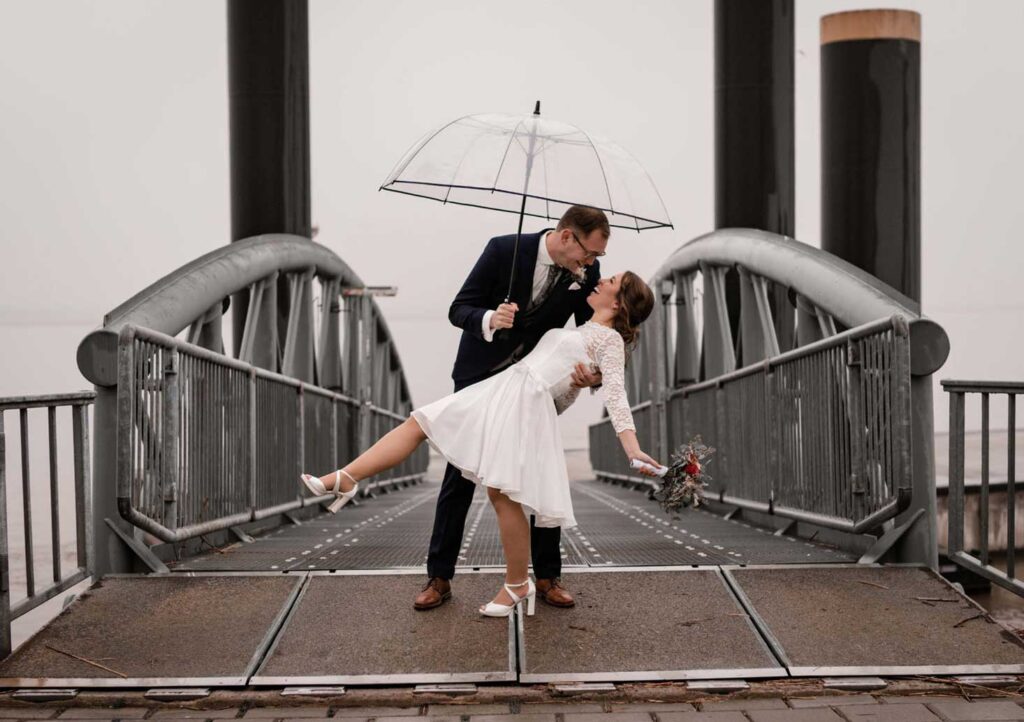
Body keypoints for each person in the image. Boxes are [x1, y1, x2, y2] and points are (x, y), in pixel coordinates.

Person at [299, 270, 662, 617]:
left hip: (524, 403)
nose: (601, 279)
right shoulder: (586, 329)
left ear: (618, 305)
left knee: (502, 494)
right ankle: (346, 477)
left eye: (612, 281)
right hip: (505, 390)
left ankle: (517, 584)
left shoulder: (610, 341)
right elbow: (564, 384)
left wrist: (631, 448)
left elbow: (615, 395)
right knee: (422, 421)